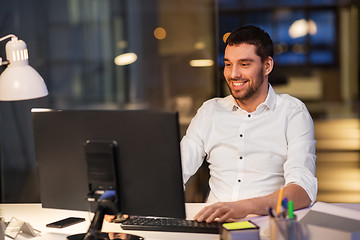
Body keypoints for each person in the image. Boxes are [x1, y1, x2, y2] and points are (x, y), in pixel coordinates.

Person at [180, 25, 317, 223]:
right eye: (228, 64)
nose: (233, 74)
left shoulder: (293, 113)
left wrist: (241, 208)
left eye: (244, 64)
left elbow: (302, 191)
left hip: (267, 227)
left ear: (267, 66)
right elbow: (176, 172)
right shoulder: (210, 112)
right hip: (212, 227)